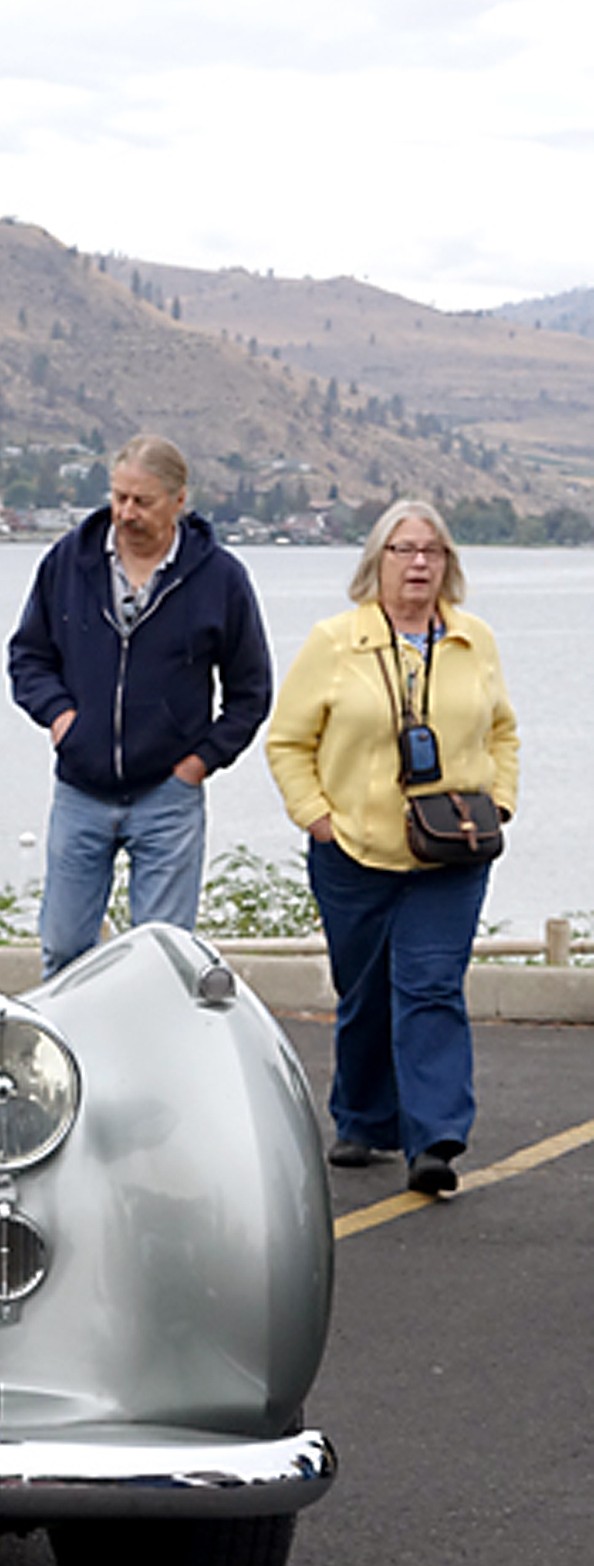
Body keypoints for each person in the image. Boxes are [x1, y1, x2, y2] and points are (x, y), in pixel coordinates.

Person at [265, 498, 519, 1201]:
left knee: (431, 986)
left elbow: (503, 731)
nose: (418, 563)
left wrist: (500, 801)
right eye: (403, 550)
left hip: (452, 850)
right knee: (366, 991)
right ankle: (363, 1117)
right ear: (376, 562)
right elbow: (288, 742)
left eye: (432, 551)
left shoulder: (473, 640)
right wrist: (317, 818)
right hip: (354, 850)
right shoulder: (335, 642)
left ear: (448, 564)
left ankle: (433, 1138)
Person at [7, 433, 272, 975]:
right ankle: (70, 1034)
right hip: (80, 789)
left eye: (142, 501)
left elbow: (251, 692)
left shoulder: (221, 579)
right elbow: (28, 657)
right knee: (63, 947)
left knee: (163, 960)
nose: (127, 513)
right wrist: (62, 720)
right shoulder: (68, 563)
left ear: (179, 501)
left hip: (168, 797)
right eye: (119, 497)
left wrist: (199, 763)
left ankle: (153, 1036)